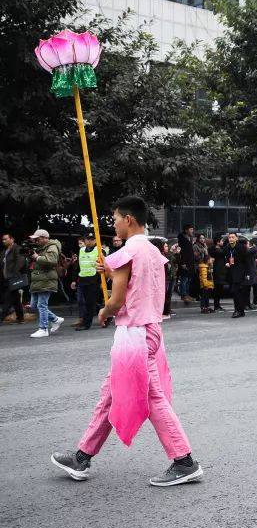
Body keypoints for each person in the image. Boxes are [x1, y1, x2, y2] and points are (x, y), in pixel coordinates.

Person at [50, 196, 203, 487]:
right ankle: (82, 456)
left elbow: (118, 299)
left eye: (116, 219)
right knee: (111, 394)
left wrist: (104, 311)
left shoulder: (127, 250)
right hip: (151, 329)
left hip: (134, 333)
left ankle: (184, 461)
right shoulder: (151, 250)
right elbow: (139, 285)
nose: (114, 224)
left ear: (129, 219)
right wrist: (110, 271)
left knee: (150, 397)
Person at [28, 229, 64, 338]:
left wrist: (37, 257)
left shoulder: (52, 247)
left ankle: (43, 329)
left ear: (44, 238)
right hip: (38, 279)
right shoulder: (41, 247)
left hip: (47, 279)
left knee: (41, 305)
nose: (35, 241)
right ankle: (55, 319)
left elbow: (51, 261)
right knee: (34, 306)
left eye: (37, 239)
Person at [73, 234, 102, 331]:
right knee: (87, 302)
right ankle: (107, 313)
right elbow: (79, 265)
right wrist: (74, 280)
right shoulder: (81, 250)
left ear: (95, 240)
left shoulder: (99, 250)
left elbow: (104, 265)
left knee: (89, 303)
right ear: (85, 240)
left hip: (94, 279)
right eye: (88, 239)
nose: (89, 241)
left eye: (92, 239)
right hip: (83, 279)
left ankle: (86, 324)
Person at [1, 232, 28, 324]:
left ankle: (1, 317)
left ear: (12, 239)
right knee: (16, 299)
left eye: (5, 239)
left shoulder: (17, 249)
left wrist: (14, 275)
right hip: (6, 279)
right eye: (3, 239)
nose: (3, 241)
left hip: (13, 278)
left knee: (7, 299)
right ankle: (20, 318)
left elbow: (20, 262)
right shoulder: (4, 252)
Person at [177, 223, 196, 304]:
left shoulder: (189, 238)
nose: (192, 231)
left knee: (188, 279)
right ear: (186, 230)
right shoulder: (182, 239)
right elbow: (183, 252)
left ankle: (187, 294)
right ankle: (184, 295)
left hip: (190, 262)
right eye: (191, 229)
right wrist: (183, 263)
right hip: (185, 262)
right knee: (184, 279)